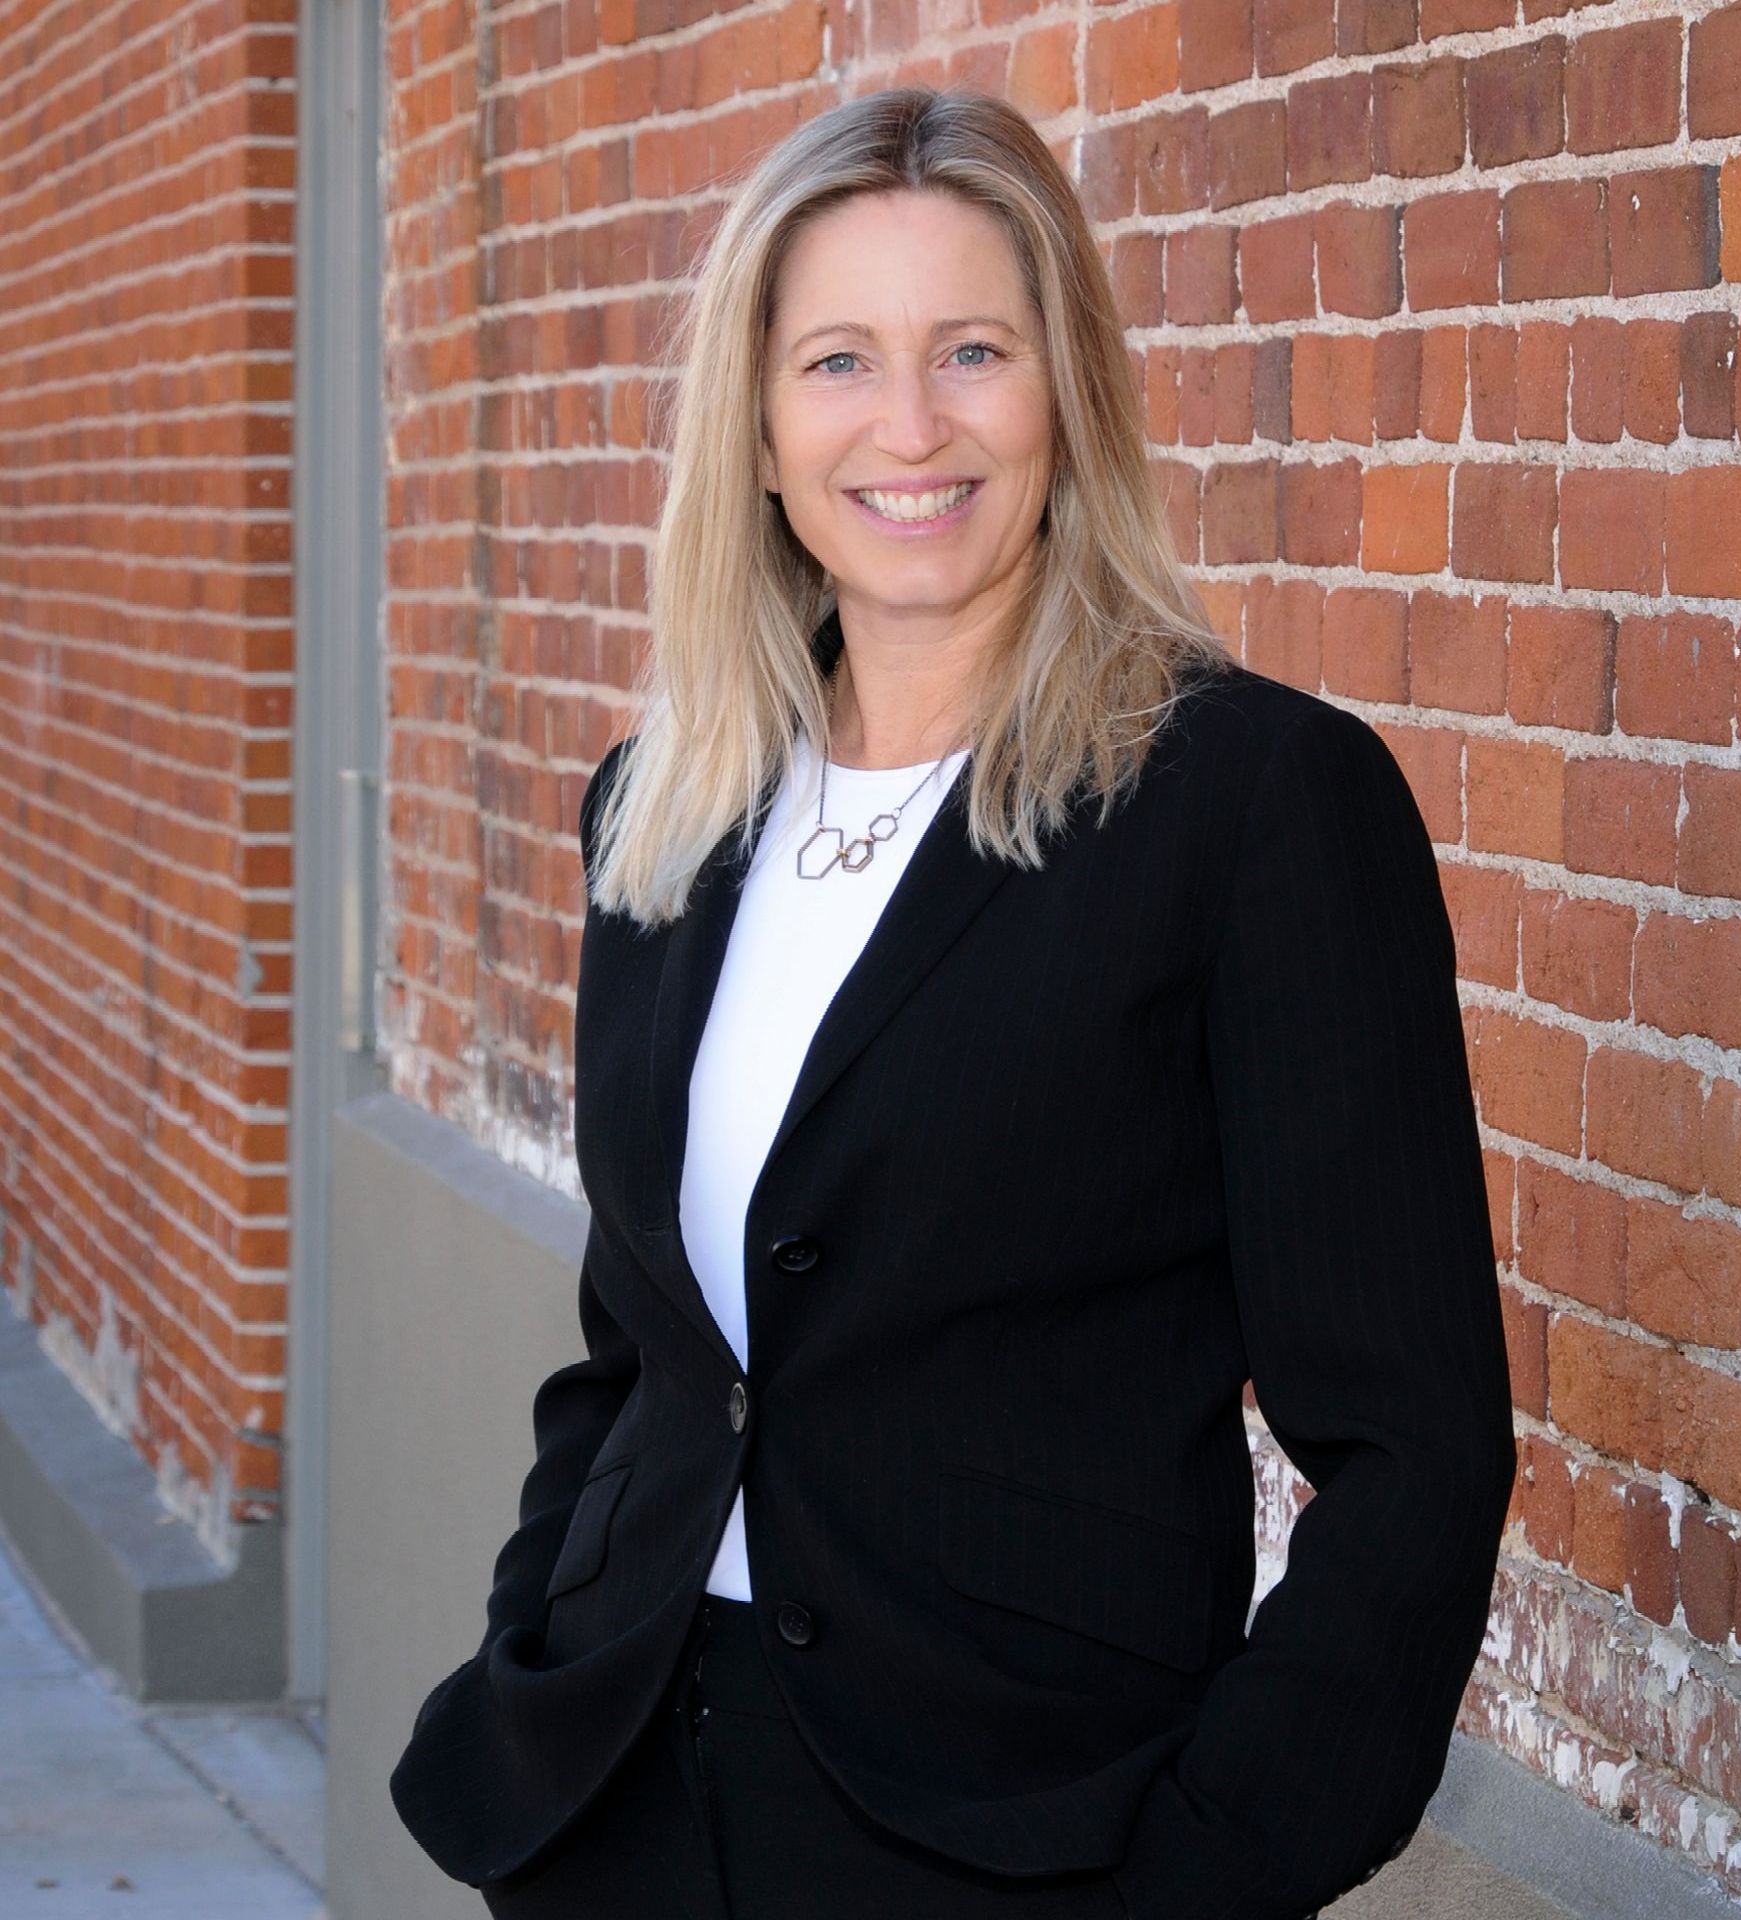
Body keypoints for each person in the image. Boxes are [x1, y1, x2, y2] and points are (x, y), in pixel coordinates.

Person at [389, 83, 1517, 1920]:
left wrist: (1210, 1869)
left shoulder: (1247, 806)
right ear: (756, 428)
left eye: (972, 350)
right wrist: (541, 1635)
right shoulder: (667, 807)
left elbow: (1420, 1452)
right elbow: (641, 1343)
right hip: (619, 1801)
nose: (907, 426)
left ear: (1064, 391)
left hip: (1022, 1832)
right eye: (837, 359)